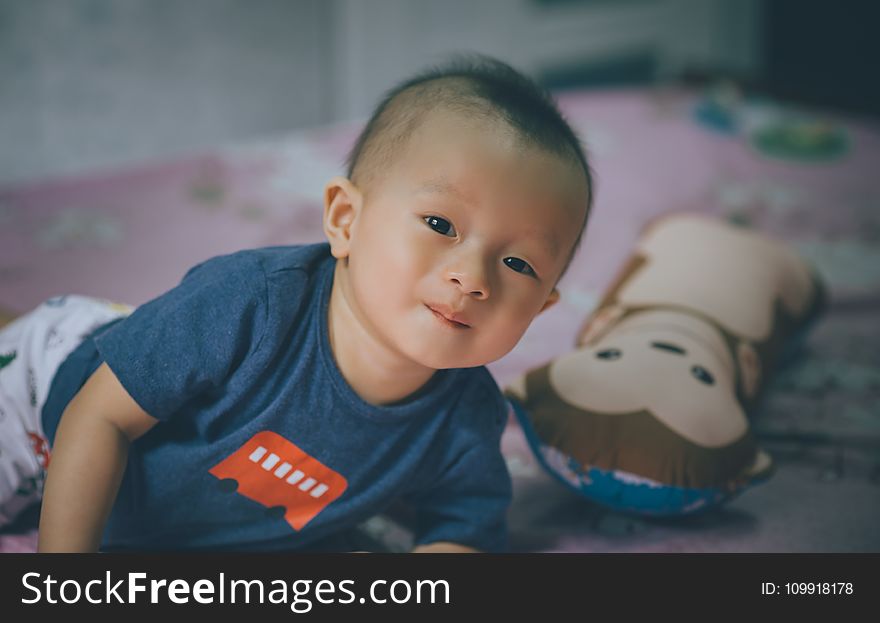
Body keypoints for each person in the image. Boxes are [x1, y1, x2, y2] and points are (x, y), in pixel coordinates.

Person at [0, 55, 594, 552]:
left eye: (519, 264)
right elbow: (98, 416)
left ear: (541, 309)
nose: (472, 277)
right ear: (345, 221)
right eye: (440, 223)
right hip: (49, 399)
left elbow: (463, 533)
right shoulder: (249, 304)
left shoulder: (465, 418)